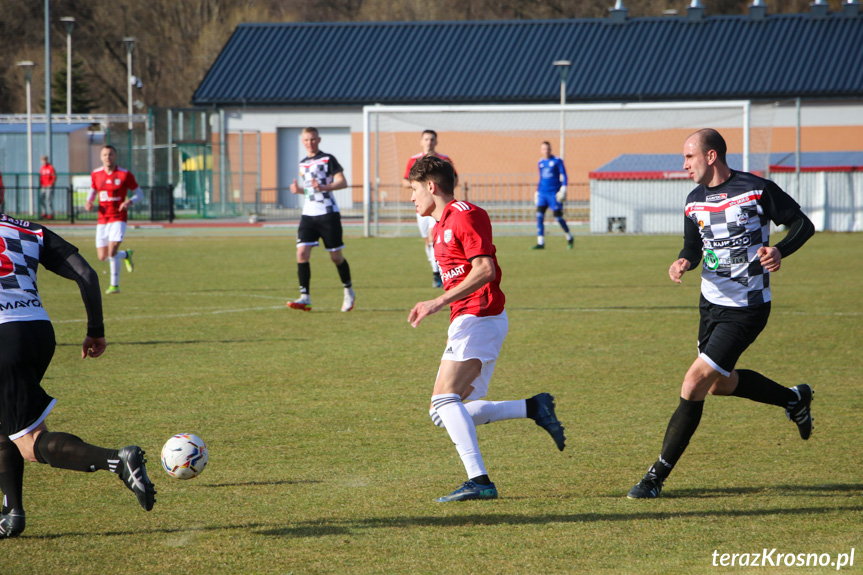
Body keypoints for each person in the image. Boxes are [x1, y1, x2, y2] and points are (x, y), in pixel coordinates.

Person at [627, 128, 816, 500]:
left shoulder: (756, 189)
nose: (684, 165)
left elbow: (803, 225)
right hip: (711, 304)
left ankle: (654, 477)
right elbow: (692, 245)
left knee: (693, 382)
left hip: (746, 307)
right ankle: (793, 399)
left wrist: (779, 250)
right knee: (719, 384)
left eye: (689, 157)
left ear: (711, 156)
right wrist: (684, 261)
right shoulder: (693, 200)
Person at [407, 155, 566, 503]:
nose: (412, 197)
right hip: (470, 318)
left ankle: (479, 481)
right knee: (442, 413)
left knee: (443, 399)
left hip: (479, 314)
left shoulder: (464, 214)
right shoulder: (438, 227)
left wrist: (436, 302)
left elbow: (485, 270)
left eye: (414, 189)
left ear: (431, 186)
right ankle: (533, 407)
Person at [0, 191, 155, 538]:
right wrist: (95, 330)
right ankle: (11, 513)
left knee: (29, 441)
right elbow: (86, 273)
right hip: (38, 331)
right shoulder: (29, 231)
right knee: (7, 419)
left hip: (2, 340)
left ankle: (117, 460)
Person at [287, 127, 355, 312]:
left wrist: (324, 186)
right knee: (301, 253)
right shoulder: (302, 164)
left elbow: (343, 182)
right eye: (307, 140)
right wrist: (299, 191)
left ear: (319, 139)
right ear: (303, 141)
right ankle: (305, 297)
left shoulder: (328, 159)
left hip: (327, 213)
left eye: (314, 139)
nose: (310, 143)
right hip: (308, 214)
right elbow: (311, 190)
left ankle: (348, 290)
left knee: (336, 257)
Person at [402, 130, 459, 288]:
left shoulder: (444, 160)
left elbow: (454, 179)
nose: (429, 142)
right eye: (426, 139)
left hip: (439, 205)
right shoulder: (414, 160)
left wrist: (443, 191)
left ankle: (442, 272)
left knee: (434, 236)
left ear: (436, 141)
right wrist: (420, 184)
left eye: (432, 139)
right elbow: (405, 181)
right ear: (421, 141)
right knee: (428, 241)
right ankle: (436, 271)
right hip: (423, 206)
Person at [84, 146, 140, 294]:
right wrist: (89, 202)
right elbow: (93, 191)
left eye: (110, 154)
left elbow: (139, 194)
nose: (108, 157)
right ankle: (126, 255)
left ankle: (114, 285)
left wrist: (129, 202)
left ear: (115, 156)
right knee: (103, 256)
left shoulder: (124, 174)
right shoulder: (96, 174)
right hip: (103, 218)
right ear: (101, 157)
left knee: (112, 248)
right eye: (105, 154)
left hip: (119, 217)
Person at [532, 141, 573, 250]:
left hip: (553, 194)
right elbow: (541, 178)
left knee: (558, 217)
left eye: (548, 149)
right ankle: (540, 242)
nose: (546, 151)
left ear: (551, 149)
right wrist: (537, 191)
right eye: (544, 149)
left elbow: (564, 175)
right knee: (539, 216)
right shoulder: (540, 163)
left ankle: (569, 236)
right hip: (542, 194)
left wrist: (563, 188)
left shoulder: (557, 161)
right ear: (541, 150)